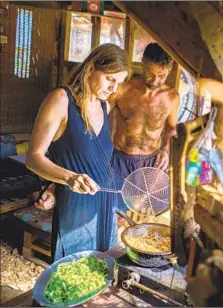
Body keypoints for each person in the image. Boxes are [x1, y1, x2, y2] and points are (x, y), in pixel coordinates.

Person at [26, 43, 130, 261]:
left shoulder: (104, 107)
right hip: (77, 208)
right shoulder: (61, 100)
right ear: (91, 68)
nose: (114, 88)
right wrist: (67, 178)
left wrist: (54, 185)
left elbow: (86, 158)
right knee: (73, 274)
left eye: (118, 83)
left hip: (104, 206)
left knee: (100, 272)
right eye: (110, 79)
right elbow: (34, 157)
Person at [109, 42, 180, 214]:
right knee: (114, 211)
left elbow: (171, 128)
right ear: (142, 64)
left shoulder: (172, 97)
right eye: (150, 73)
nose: (155, 80)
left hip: (151, 163)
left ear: (169, 70)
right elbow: (101, 119)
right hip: (119, 160)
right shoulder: (123, 89)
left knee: (145, 213)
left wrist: (166, 149)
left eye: (161, 75)